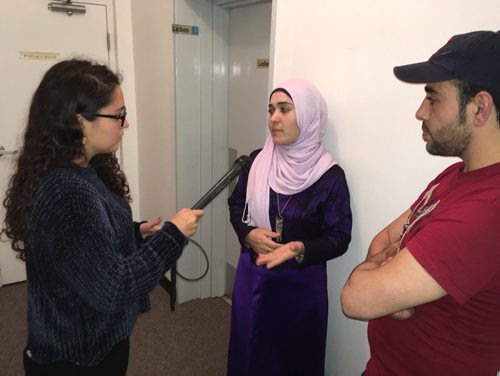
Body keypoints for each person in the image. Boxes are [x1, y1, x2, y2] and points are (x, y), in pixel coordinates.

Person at [0, 59, 204, 375]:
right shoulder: (65, 191)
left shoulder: (85, 167)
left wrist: (135, 233)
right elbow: (114, 289)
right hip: (77, 359)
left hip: (98, 342)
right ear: (80, 122)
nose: (126, 124)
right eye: (119, 116)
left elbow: (84, 245)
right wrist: (172, 236)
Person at [341, 30, 500, 375]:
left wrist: (386, 288)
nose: (420, 111)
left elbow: (356, 299)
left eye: (433, 97)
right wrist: (395, 288)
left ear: (480, 108)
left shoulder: (487, 210)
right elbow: (382, 241)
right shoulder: (455, 176)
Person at [227, 78, 352, 376]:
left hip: (300, 286)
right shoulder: (259, 160)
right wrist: (248, 234)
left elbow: (339, 236)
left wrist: (300, 249)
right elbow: (236, 205)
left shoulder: (329, 176)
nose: (273, 119)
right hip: (254, 275)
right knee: (249, 351)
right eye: (271, 110)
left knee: (293, 358)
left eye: (284, 109)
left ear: (308, 117)